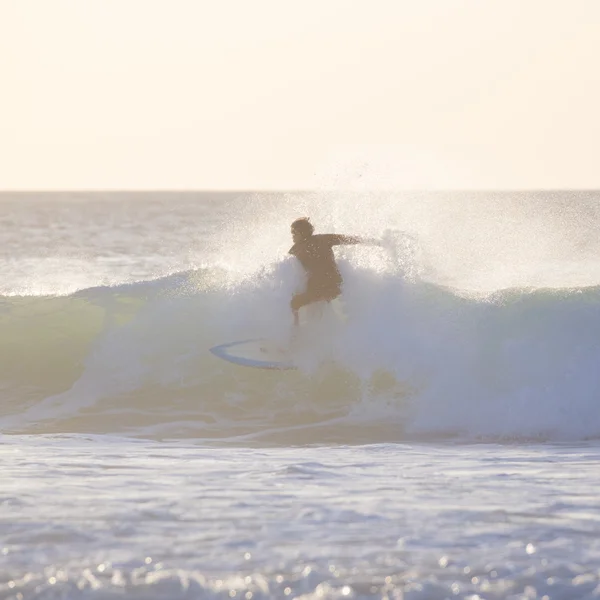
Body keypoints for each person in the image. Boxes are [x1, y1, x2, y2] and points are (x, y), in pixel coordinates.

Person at [288, 217, 377, 326]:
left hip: (319, 290)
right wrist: (373, 241)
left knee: (293, 303)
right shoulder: (324, 238)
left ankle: (295, 335)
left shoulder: (295, 249)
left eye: (294, 233)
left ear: (301, 233)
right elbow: (348, 239)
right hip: (336, 285)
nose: (292, 236)